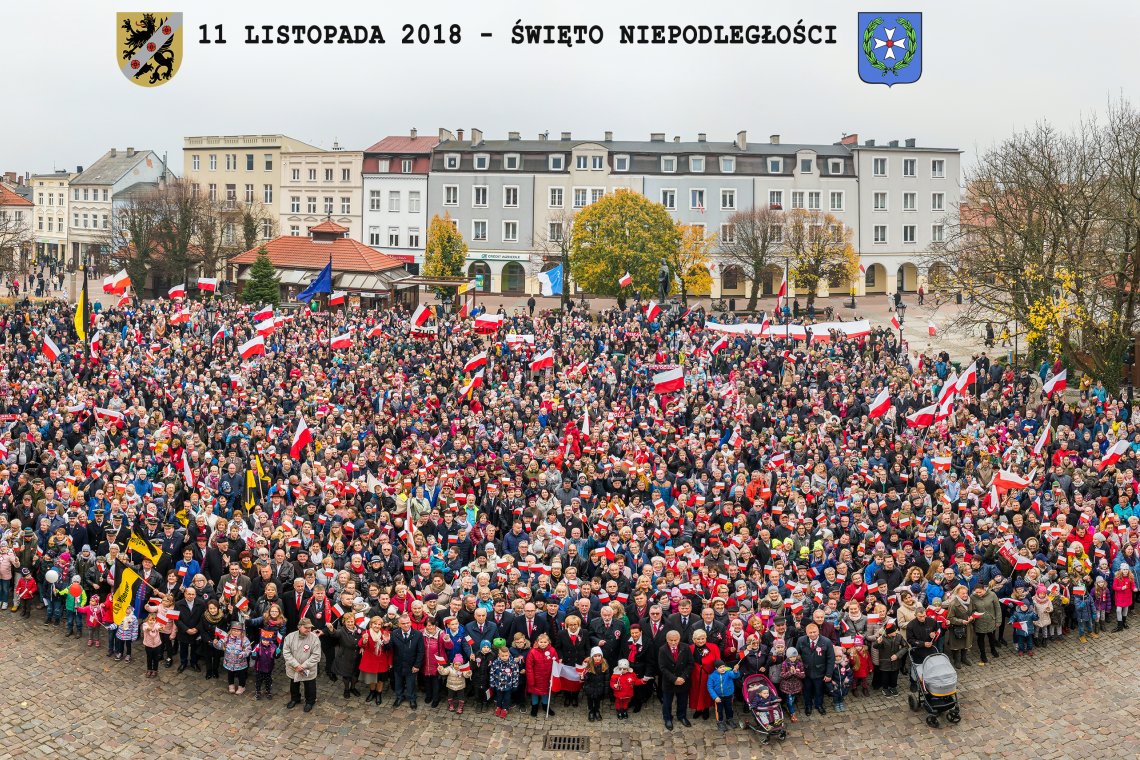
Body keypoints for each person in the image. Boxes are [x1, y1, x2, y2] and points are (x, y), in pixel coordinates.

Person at [794, 622, 835, 716]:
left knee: (819, 690)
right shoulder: (801, 640)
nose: (812, 634)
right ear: (806, 633)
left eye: (814, 632)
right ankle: (808, 705)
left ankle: (819, 705)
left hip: (820, 672)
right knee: (807, 690)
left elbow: (830, 659)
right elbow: (797, 655)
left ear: (818, 632)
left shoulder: (826, 641)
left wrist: (829, 674)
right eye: (810, 632)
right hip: (806, 672)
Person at [283, 617, 323, 711]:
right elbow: (286, 652)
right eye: (306, 627)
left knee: (310, 685)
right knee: (294, 684)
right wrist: (296, 665)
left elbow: (316, 655)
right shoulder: (290, 637)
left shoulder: (314, 639)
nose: (308, 629)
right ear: (299, 627)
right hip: (294, 668)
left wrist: (303, 666)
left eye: (310, 627)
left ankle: (310, 701)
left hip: (308, 668)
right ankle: (295, 699)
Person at [658, 630, 693, 731]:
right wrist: (674, 679)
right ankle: (667, 718)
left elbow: (690, 664)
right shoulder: (663, 649)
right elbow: (662, 667)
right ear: (667, 640)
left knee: (683, 700)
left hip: (683, 680)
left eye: (675, 640)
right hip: (669, 680)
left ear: (679, 639)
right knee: (667, 702)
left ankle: (682, 716)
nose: (673, 642)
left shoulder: (685, 647)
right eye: (671, 640)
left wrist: (683, 677)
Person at [390, 613, 425, 709]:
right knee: (398, 682)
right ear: (399, 624)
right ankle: (399, 697)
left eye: (408, 623)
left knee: (411, 683)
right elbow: (389, 649)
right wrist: (385, 642)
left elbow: (421, 651)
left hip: (411, 665)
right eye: (403, 623)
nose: (406, 625)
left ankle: (412, 699)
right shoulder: (394, 633)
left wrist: (417, 665)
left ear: (410, 623)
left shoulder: (418, 634)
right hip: (398, 663)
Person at [706, 659, 741, 732]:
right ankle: (720, 721)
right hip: (719, 697)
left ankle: (729, 719)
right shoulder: (712, 676)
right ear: (716, 668)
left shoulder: (728, 673)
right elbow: (710, 687)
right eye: (720, 667)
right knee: (719, 710)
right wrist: (715, 697)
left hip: (729, 695)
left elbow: (735, 676)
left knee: (729, 708)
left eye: (723, 666)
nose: (723, 669)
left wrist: (735, 671)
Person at [220, 621, 253, 694]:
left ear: (241, 631)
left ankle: (242, 686)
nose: (236, 632)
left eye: (238, 631)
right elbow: (221, 645)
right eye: (234, 630)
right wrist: (216, 643)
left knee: (241, 675)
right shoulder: (227, 637)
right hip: (229, 661)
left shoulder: (244, 639)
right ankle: (231, 684)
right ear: (231, 630)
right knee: (230, 674)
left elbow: (248, 649)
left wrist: (243, 654)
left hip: (240, 662)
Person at [489, 645, 520, 719]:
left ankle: (505, 708)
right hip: (498, 685)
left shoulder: (513, 663)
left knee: (507, 698)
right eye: (502, 656)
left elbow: (516, 674)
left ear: (509, 654)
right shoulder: (495, 663)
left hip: (508, 686)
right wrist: (492, 683)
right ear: (499, 655)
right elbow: (492, 673)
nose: (504, 657)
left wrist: (515, 685)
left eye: (506, 655)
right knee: (499, 697)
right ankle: (498, 707)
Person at [580, 647, 609, 721]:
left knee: (597, 700)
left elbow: (606, 679)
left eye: (599, 656)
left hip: (599, 687)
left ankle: (597, 711)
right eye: (595, 656)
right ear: (592, 657)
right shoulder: (589, 665)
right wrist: (585, 675)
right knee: (590, 700)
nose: (597, 658)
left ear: (601, 656)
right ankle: (591, 711)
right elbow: (585, 678)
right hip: (590, 687)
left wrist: (605, 690)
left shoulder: (604, 664)